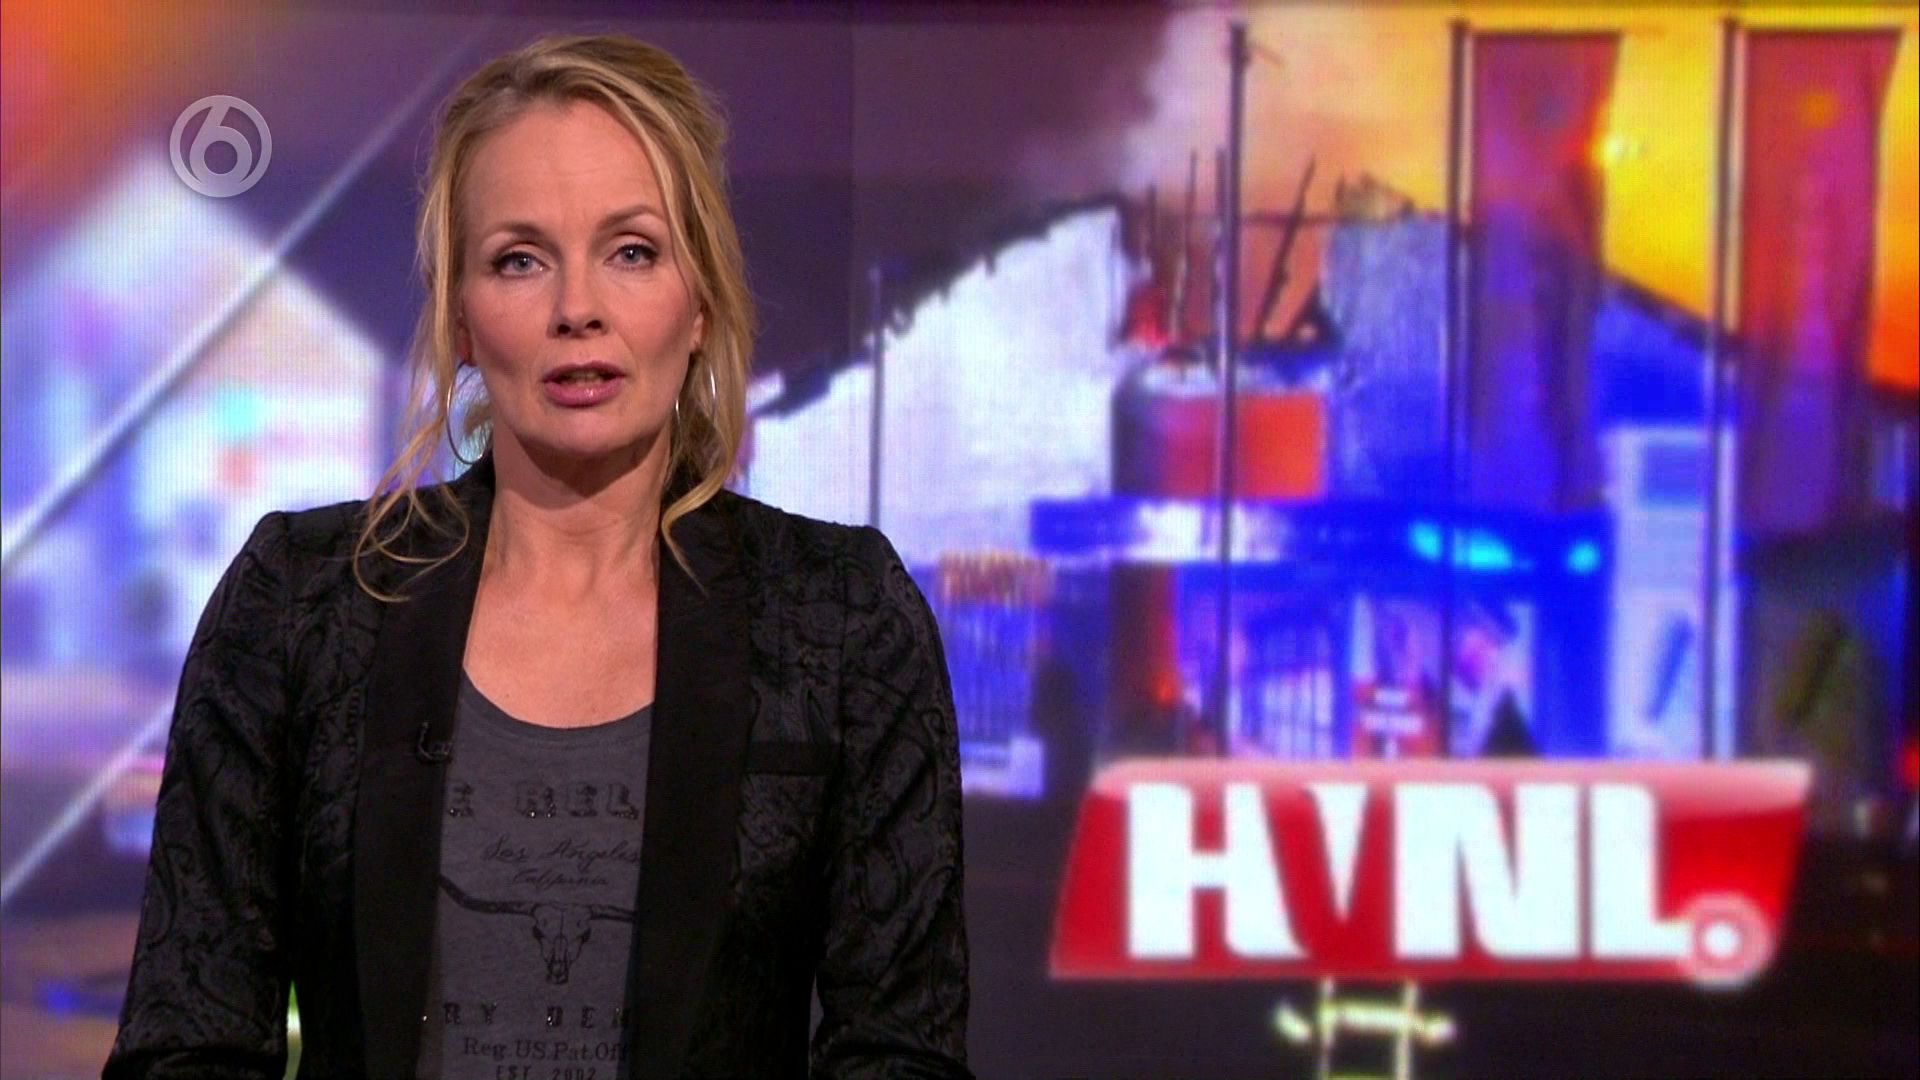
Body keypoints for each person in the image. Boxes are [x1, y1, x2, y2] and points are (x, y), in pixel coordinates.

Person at [103, 33, 970, 1080]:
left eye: (632, 251)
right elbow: (186, 1040)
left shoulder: (841, 616)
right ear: (462, 318)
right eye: (520, 259)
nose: (577, 309)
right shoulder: (299, 600)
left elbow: (899, 1052)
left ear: (699, 301)